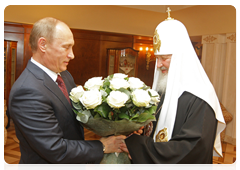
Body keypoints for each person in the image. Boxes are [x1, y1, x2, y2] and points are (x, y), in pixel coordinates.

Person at [8, 17, 126, 170]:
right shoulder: (27, 91)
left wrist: (119, 125)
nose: (72, 55)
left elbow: (74, 116)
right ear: (43, 44)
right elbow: (55, 149)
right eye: (66, 47)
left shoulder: (64, 75)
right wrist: (101, 146)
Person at [121, 14, 226, 170]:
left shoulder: (201, 96)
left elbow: (192, 149)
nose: (158, 65)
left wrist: (138, 147)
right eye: (157, 58)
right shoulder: (163, 89)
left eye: (164, 58)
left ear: (181, 58)